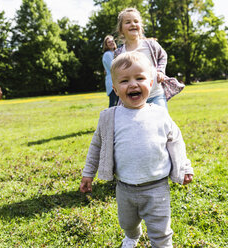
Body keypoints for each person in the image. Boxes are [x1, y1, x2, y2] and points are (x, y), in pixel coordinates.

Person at [79, 51, 194, 248]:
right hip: (125, 187)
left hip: (157, 187)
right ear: (115, 89)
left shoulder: (159, 115)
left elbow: (176, 141)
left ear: (150, 84)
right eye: (125, 81)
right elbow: (96, 145)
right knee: (128, 223)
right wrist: (88, 173)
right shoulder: (109, 117)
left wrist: (185, 167)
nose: (133, 84)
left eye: (139, 78)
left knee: (161, 231)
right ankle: (132, 236)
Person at [114, 7, 184, 109]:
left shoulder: (150, 45)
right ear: (121, 29)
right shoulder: (119, 53)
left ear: (141, 27)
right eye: (128, 22)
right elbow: (116, 73)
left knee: (160, 121)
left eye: (136, 21)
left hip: (155, 94)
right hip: (132, 98)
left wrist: (160, 71)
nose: (133, 24)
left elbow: (163, 56)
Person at [102, 35, 119, 107]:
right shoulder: (107, 54)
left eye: (112, 41)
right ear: (106, 45)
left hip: (117, 81)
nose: (111, 43)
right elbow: (113, 67)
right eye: (109, 42)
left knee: (119, 103)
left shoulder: (116, 52)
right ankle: (110, 118)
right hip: (112, 82)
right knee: (113, 103)